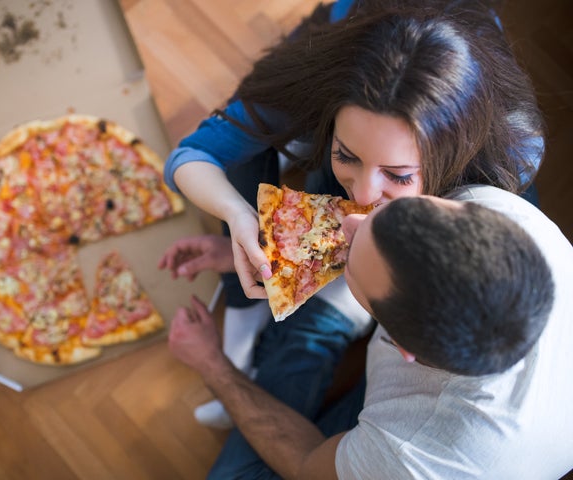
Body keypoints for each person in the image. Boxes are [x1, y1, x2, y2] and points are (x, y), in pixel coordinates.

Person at [159, 0, 545, 432]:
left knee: (314, 331)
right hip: (339, 45)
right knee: (245, 147)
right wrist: (239, 216)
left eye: (397, 175)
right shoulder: (321, 72)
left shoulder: (510, 164)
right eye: (346, 154)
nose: (360, 195)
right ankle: (250, 309)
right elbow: (190, 156)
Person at [168, 186, 573, 479]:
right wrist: (270, 253)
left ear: (397, 343)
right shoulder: (500, 207)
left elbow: (308, 463)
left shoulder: (413, 456)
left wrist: (212, 364)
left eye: (352, 255)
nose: (350, 219)